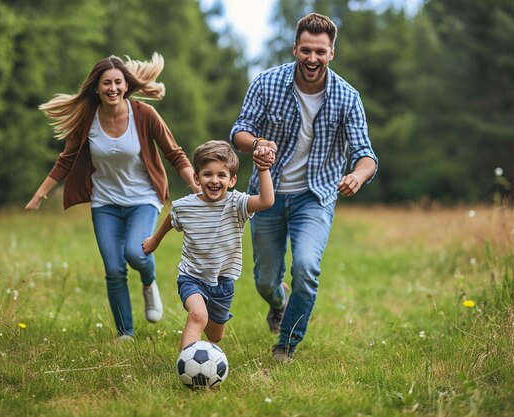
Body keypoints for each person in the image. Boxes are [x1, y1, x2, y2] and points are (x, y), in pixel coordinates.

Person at [230, 12, 378, 363]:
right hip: (267, 195)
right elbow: (239, 131)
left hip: (316, 197)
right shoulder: (267, 83)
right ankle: (278, 300)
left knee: (306, 268)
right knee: (265, 280)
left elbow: (366, 155)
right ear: (296, 49)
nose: (313, 58)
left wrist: (357, 176)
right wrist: (256, 144)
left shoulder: (347, 97)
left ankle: (286, 344)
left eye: (321, 52)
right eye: (307, 50)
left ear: (331, 54)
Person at [26, 53, 200, 341]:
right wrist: (39, 194)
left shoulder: (144, 114)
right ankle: (125, 333)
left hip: (143, 199)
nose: (112, 88)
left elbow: (174, 153)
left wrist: (196, 186)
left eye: (118, 82)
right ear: (96, 87)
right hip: (105, 203)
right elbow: (66, 160)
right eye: (106, 83)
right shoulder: (87, 119)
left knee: (135, 252)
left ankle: (148, 281)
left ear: (126, 85)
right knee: (113, 268)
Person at [142, 140, 275, 349]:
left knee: (215, 336)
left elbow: (266, 201)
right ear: (197, 177)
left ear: (232, 180)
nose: (214, 180)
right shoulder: (184, 206)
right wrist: (154, 240)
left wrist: (263, 169)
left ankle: (204, 358)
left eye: (221, 175)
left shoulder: (237, 204)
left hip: (223, 283)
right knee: (197, 316)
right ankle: (186, 363)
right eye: (207, 174)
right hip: (192, 277)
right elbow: (171, 218)